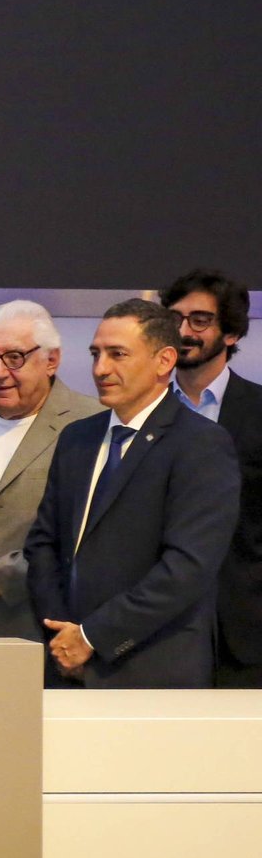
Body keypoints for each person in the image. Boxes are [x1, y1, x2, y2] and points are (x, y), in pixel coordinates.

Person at [25, 300, 239, 688]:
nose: (100, 369)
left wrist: (92, 637)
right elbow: (43, 544)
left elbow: (186, 568)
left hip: (152, 670)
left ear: (164, 360)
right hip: (64, 663)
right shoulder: (77, 437)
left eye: (117, 354)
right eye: (96, 354)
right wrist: (62, 633)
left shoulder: (201, 444)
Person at [0, 301, 103, 639]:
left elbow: (82, 534)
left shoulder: (91, 423)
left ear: (51, 360)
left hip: (46, 630)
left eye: (14, 357)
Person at [160, 269, 262, 687]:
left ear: (231, 333)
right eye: (175, 318)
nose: (184, 331)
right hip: (155, 628)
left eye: (200, 320)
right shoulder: (141, 411)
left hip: (245, 628)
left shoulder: (258, 410)